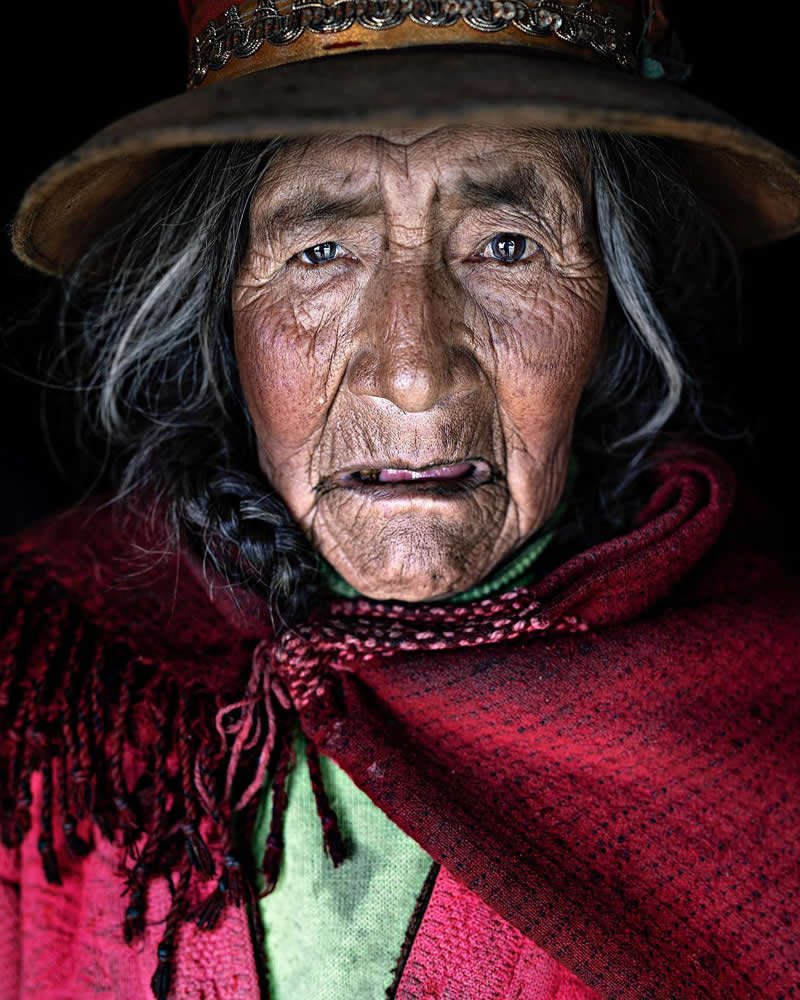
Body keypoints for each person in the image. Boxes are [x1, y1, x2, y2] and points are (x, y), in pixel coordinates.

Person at [2, 1, 799, 998]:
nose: (414, 373)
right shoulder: (56, 690)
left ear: (611, 307)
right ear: (220, 313)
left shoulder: (767, 728)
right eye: (321, 253)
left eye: (506, 246)